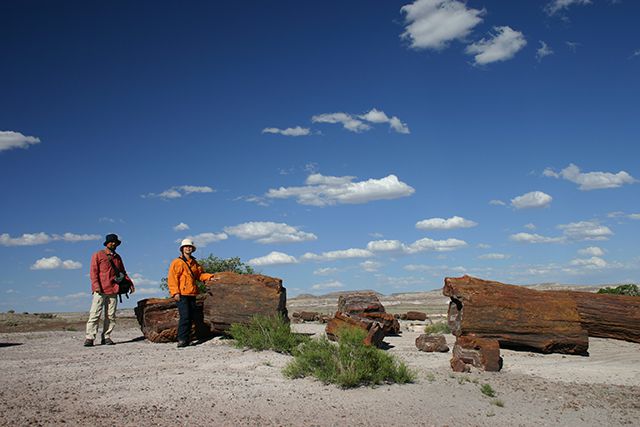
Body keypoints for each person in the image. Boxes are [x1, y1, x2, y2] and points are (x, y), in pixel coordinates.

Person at [84, 233, 135, 347]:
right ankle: (90, 337)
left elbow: (123, 272)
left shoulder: (118, 257)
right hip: (100, 290)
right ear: (107, 243)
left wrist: (130, 283)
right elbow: (93, 272)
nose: (113, 244)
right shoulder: (98, 255)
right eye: (111, 242)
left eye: (115, 242)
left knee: (111, 315)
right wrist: (96, 286)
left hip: (113, 289)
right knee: (95, 314)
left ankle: (106, 337)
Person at [167, 239, 214, 348]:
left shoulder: (194, 263)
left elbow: (200, 275)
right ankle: (182, 339)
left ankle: (187, 338)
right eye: (186, 247)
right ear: (182, 249)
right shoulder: (177, 262)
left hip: (192, 294)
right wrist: (175, 293)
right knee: (185, 316)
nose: (188, 248)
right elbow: (172, 279)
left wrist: (210, 277)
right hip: (182, 294)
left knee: (192, 316)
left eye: (190, 247)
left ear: (192, 249)